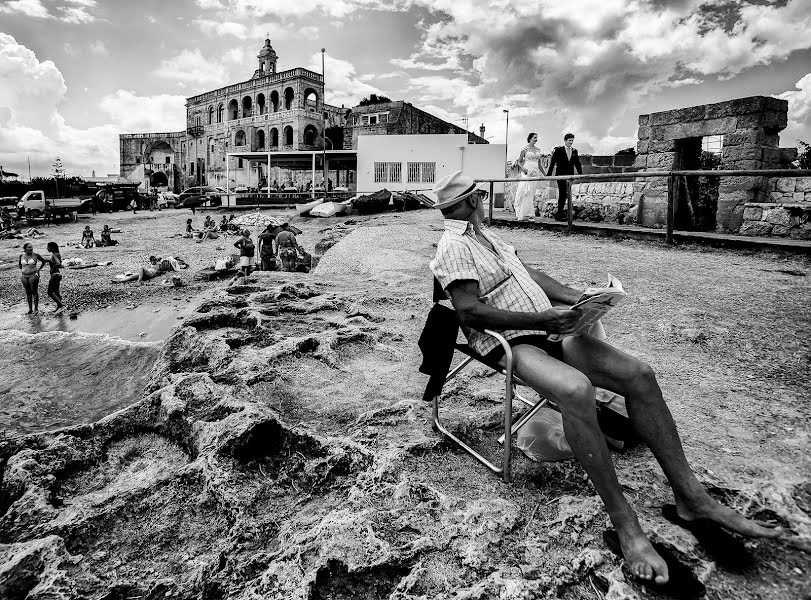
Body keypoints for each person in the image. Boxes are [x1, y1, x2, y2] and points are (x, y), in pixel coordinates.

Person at [428, 171, 778, 588]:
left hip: (547, 328)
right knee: (576, 389)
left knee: (639, 375)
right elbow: (470, 312)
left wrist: (578, 297)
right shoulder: (453, 245)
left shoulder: (487, 237)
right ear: (471, 201)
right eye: (479, 197)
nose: (483, 201)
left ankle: (692, 497)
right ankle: (626, 523)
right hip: (511, 340)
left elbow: (529, 274)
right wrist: (542, 318)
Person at [547, 133, 583, 221]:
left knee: (568, 194)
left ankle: (566, 214)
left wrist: (580, 174)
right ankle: (559, 215)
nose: (571, 142)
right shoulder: (559, 150)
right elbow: (553, 162)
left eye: (572, 140)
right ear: (565, 140)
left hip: (570, 176)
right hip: (560, 175)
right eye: (569, 140)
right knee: (562, 194)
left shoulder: (575, 151)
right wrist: (549, 174)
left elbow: (577, 163)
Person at [514, 132, 544, 221]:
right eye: (534, 137)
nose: (536, 139)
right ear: (530, 138)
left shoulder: (538, 149)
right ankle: (526, 214)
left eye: (537, 138)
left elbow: (539, 164)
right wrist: (523, 169)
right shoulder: (525, 149)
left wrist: (545, 174)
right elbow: (519, 162)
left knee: (532, 192)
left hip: (535, 172)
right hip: (527, 171)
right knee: (525, 191)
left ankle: (529, 214)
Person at [115, 255, 187, 283]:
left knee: (141, 268)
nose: (154, 261)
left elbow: (165, 262)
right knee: (131, 276)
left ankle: (139, 281)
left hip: (151, 274)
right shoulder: (149, 265)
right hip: (146, 273)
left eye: (155, 260)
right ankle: (119, 281)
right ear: (150, 261)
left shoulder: (159, 265)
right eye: (153, 260)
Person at [19, 242, 47, 314]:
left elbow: (43, 261)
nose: (31, 248)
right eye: (29, 247)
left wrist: (38, 270)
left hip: (33, 275)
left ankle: (36, 308)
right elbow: (20, 265)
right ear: (25, 249)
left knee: (34, 292)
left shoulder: (36, 255)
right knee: (28, 292)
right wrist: (24, 270)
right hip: (24, 276)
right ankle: (30, 309)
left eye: (31, 247)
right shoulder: (21, 256)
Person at [42, 241, 64, 312]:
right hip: (57, 275)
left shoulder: (54, 255)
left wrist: (53, 267)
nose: (47, 248)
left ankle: (61, 306)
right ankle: (59, 306)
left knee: (50, 292)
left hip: (55, 275)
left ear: (52, 247)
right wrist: (49, 261)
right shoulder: (57, 254)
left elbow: (58, 263)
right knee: (56, 292)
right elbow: (57, 262)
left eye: (48, 247)